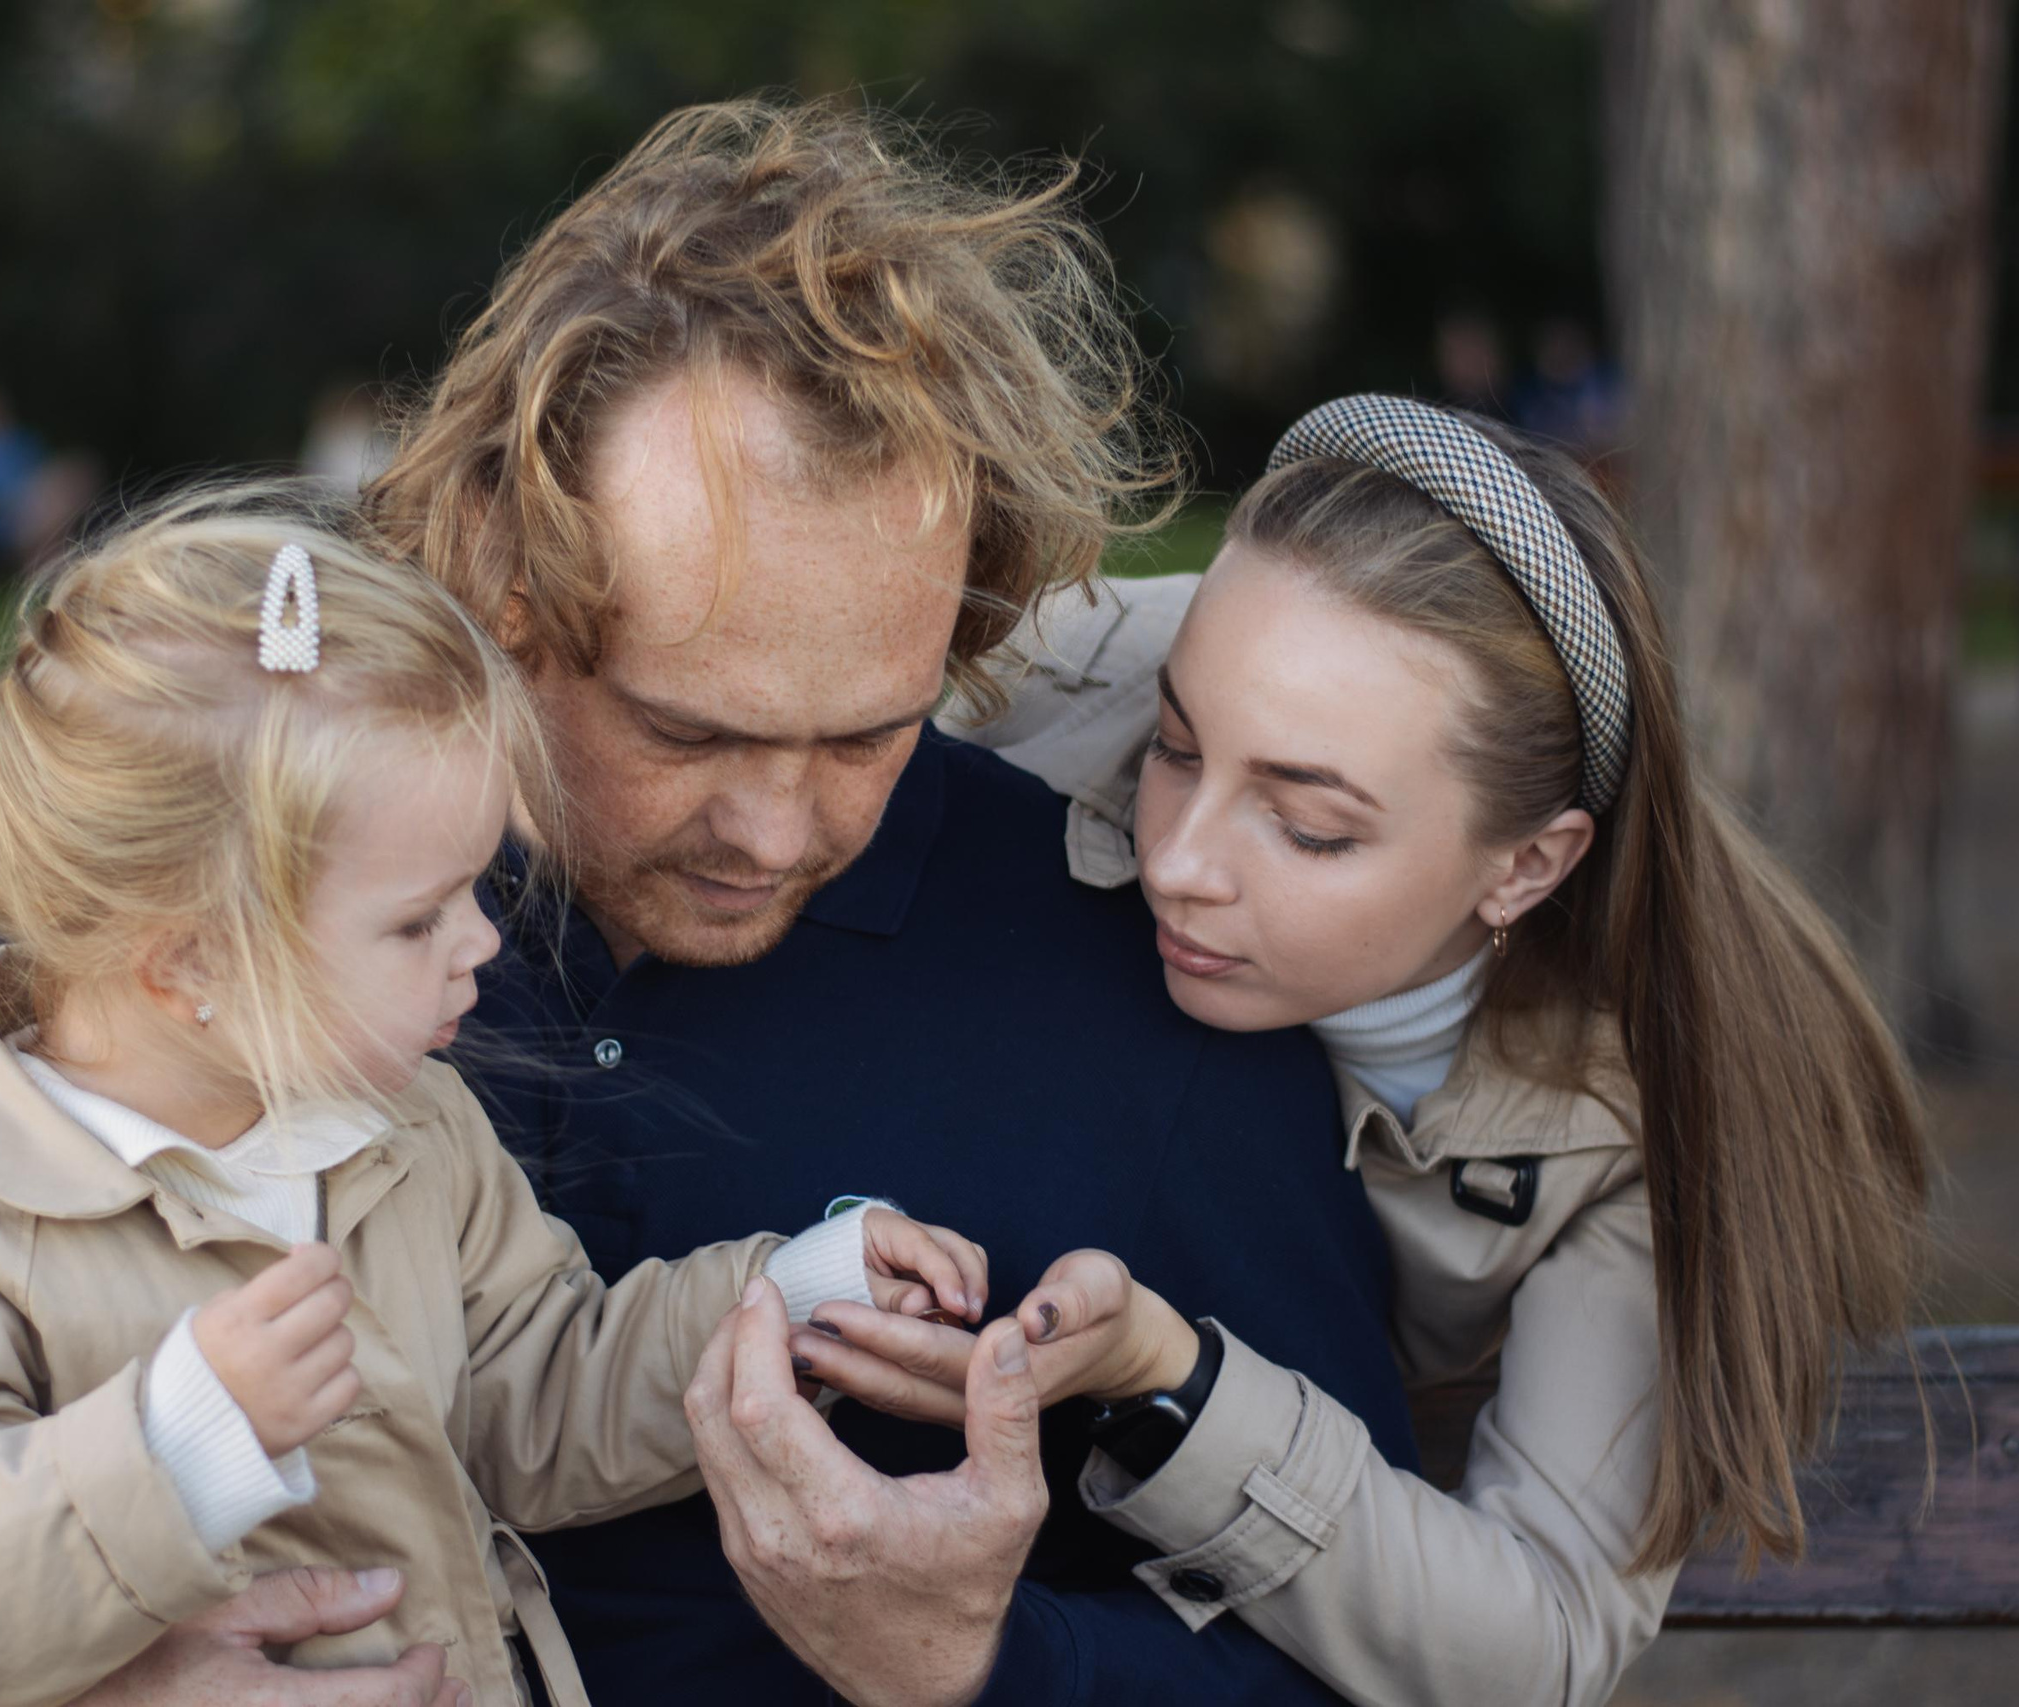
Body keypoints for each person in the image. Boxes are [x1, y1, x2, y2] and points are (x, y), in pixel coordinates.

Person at [0, 101, 1419, 1707]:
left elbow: (1377, 1657)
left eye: (867, 731)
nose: (778, 826)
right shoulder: (152, 913)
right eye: (683, 727)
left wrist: (990, 1664)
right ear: (497, 567)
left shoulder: (1152, 990)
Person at [803, 394, 1930, 1707]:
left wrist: (1171, 1377)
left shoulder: (1624, 1123)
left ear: (1525, 865)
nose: (1178, 859)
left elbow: (1546, 1629)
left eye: (1311, 828)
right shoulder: (1056, 675)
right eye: (1174, 747)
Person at [0, 487, 987, 1707]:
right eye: (417, 919)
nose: (482, 945)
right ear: (191, 961)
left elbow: (535, 1387)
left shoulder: (405, 1130)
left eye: (472, 889)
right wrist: (176, 1442)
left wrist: (786, 1302)